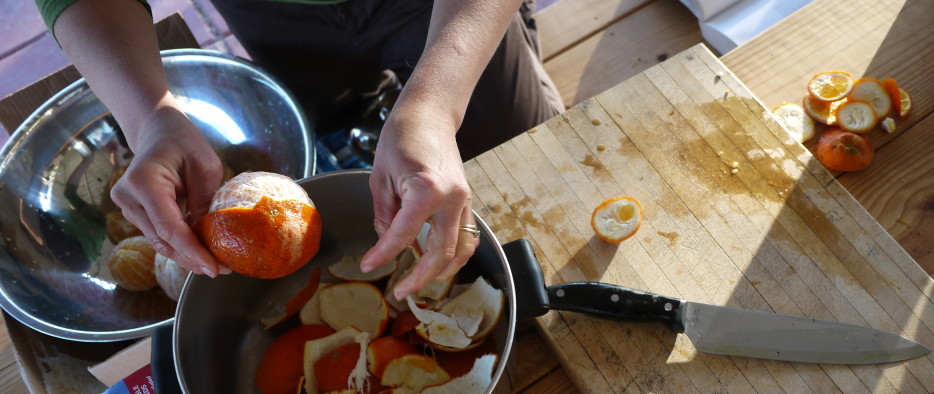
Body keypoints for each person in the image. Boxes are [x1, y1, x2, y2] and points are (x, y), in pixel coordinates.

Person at [36, 0, 564, 299]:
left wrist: (437, 103)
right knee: (335, 115)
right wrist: (151, 118)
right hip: (273, 13)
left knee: (527, 160)